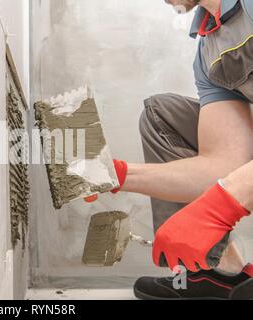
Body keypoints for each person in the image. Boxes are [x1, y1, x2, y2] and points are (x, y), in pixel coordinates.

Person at [106, 0, 253, 299]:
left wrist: (220, 208)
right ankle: (215, 273)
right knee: (162, 115)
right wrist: (118, 175)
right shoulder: (209, 48)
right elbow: (224, 164)